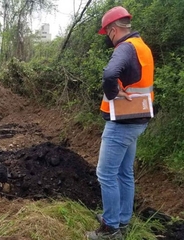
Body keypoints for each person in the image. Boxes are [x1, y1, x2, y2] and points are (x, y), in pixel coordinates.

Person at [86, 6, 154, 240]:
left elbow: (109, 74)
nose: (109, 39)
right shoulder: (141, 46)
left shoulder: (124, 48)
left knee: (105, 173)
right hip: (138, 119)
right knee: (124, 172)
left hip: (123, 123)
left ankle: (110, 229)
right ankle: (122, 219)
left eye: (107, 34)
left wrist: (113, 93)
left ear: (114, 30)